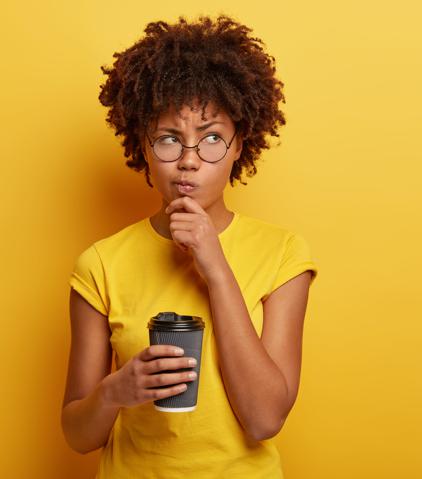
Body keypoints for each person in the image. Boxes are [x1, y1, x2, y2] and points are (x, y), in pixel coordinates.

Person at [60, 14, 318, 478]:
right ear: (143, 145)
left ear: (240, 145)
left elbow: (265, 419)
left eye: (212, 138)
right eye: (169, 140)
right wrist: (117, 390)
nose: (188, 162)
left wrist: (215, 266)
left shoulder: (283, 254)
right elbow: (78, 435)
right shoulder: (99, 264)